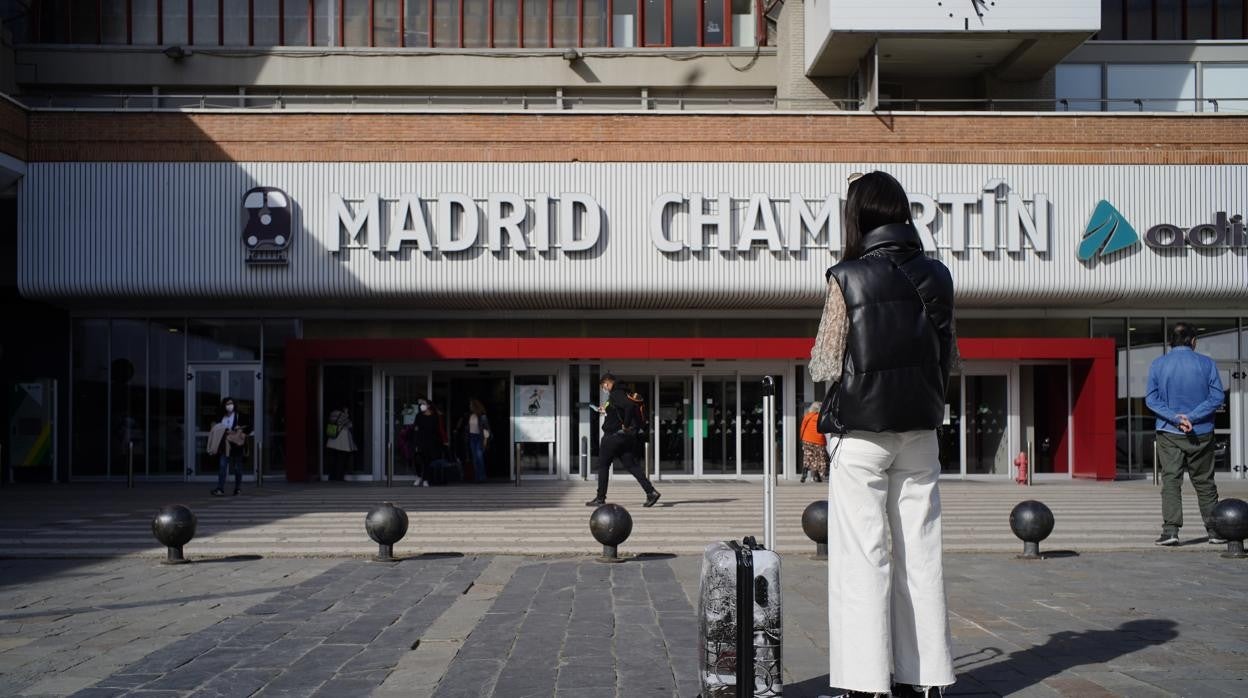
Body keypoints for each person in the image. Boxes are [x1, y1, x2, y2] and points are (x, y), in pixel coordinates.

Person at [809, 171, 957, 698]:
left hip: (862, 433)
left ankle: (867, 683)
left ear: (858, 216)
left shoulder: (847, 276)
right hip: (920, 430)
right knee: (921, 553)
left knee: (862, 557)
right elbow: (949, 359)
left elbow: (825, 362)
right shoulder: (938, 275)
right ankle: (928, 677)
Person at [1146, 322, 1225, 546]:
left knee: (1171, 480)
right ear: (1193, 341)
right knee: (1205, 482)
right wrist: (1193, 417)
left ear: (1171, 341)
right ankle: (1215, 531)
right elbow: (1217, 397)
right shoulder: (1207, 364)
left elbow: (1152, 399)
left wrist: (1176, 418)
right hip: (1201, 432)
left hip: (1169, 431)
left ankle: (1170, 531)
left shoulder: (1158, 364)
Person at [586, 373, 661, 508]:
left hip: (613, 437)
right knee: (631, 465)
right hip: (625, 438)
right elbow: (622, 408)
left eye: (604, 386)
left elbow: (629, 407)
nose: (605, 388)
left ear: (608, 383)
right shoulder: (624, 392)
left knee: (603, 466)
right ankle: (651, 492)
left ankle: (600, 498)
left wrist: (625, 424)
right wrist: (606, 410)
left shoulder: (616, 393)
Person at [210, 397, 248, 496]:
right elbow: (215, 427)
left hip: (236, 445)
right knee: (222, 466)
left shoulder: (239, 416)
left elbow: (248, 427)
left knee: (237, 468)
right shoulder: (221, 416)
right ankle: (220, 489)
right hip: (224, 445)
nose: (229, 406)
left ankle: (238, 488)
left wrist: (238, 429)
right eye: (227, 404)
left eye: (231, 403)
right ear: (224, 405)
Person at [411, 397, 446, 487]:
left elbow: (437, 430)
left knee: (427, 460)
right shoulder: (419, 416)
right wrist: (416, 440)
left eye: (424, 404)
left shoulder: (434, 416)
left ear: (429, 406)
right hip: (420, 440)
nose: (422, 406)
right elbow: (415, 428)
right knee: (417, 459)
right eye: (421, 404)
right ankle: (419, 476)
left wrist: (440, 441)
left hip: (430, 441)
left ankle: (425, 479)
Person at [457, 398, 492, 483]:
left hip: (479, 437)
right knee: (475, 458)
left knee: (479, 457)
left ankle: (482, 477)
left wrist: (485, 440)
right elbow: (467, 427)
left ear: (475, 406)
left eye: (471, 405)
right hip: (472, 437)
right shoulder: (470, 415)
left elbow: (486, 428)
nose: (470, 406)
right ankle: (477, 477)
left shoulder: (482, 416)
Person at [325, 405, 356, 481]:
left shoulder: (332, 413)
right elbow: (350, 425)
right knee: (341, 460)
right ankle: (339, 477)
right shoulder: (343, 415)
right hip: (341, 441)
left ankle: (331, 477)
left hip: (332, 439)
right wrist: (346, 414)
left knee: (333, 459)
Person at [799, 401, 827, 483]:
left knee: (808, 457)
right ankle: (819, 476)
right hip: (818, 440)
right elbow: (823, 429)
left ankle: (804, 473)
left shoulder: (807, 416)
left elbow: (802, 428)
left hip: (807, 439)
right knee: (820, 458)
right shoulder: (820, 417)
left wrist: (802, 438)